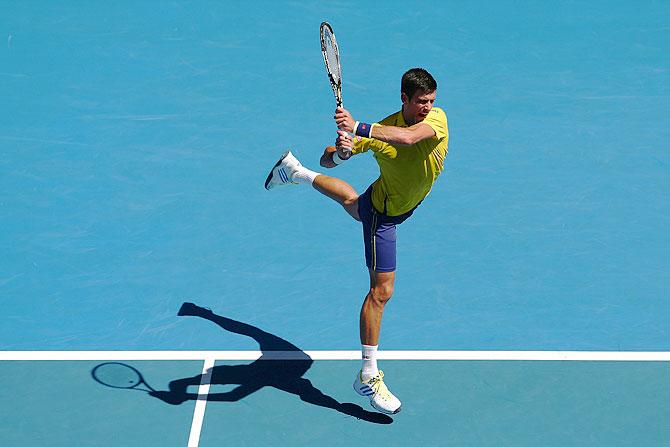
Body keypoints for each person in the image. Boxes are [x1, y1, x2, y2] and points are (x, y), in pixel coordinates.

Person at [264, 68, 448, 415]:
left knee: (353, 205)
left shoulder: (435, 120)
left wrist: (358, 127)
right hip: (386, 215)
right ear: (404, 99)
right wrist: (343, 153)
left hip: (394, 201)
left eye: (431, 101)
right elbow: (330, 157)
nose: (427, 107)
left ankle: (295, 172)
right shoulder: (382, 129)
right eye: (420, 101)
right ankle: (368, 375)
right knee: (382, 292)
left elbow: (409, 140)